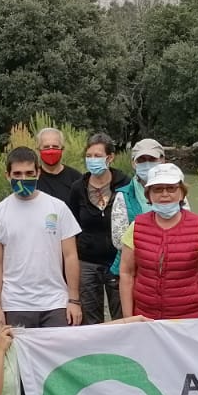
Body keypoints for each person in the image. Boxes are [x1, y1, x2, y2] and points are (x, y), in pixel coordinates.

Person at [0, 147, 82, 329]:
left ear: (38, 173)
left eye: (29, 173)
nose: (23, 179)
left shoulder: (58, 208)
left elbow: (70, 256)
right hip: (15, 304)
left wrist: (73, 300)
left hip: (55, 303)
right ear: (7, 175)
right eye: (17, 174)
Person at [118, 164, 198, 320]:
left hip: (191, 320)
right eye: (158, 189)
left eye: (171, 188)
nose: (165, 194)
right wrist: (128, 319)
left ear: (182, 192)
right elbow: (127, 274)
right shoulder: (136, 227)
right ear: (149, 195)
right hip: (146, 320)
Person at [68, 133, 128, 322]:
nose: (92, 160)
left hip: (118, 260)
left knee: (122, 315)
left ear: (110, 158)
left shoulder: (125, 184)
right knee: (90, 319)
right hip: (87, 262)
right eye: (89, 156)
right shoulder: (78, 188)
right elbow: (73, 224)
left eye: (97, 156)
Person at [110, 137, 168, 262]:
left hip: (170, 265)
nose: (147, 164)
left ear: (162, 160)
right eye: (141, 160)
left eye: (152, 159)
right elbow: (119, 240)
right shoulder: (123, 195)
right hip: (133, 266)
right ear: (133, 163)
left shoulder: (176, 192)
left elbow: (184, 229)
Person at [32, 126, 83, 204]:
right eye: (46, 147)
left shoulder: (76, 178)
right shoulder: (32, 179)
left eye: (55, 147)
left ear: (62, 150)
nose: (51, 150)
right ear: (38, 150)